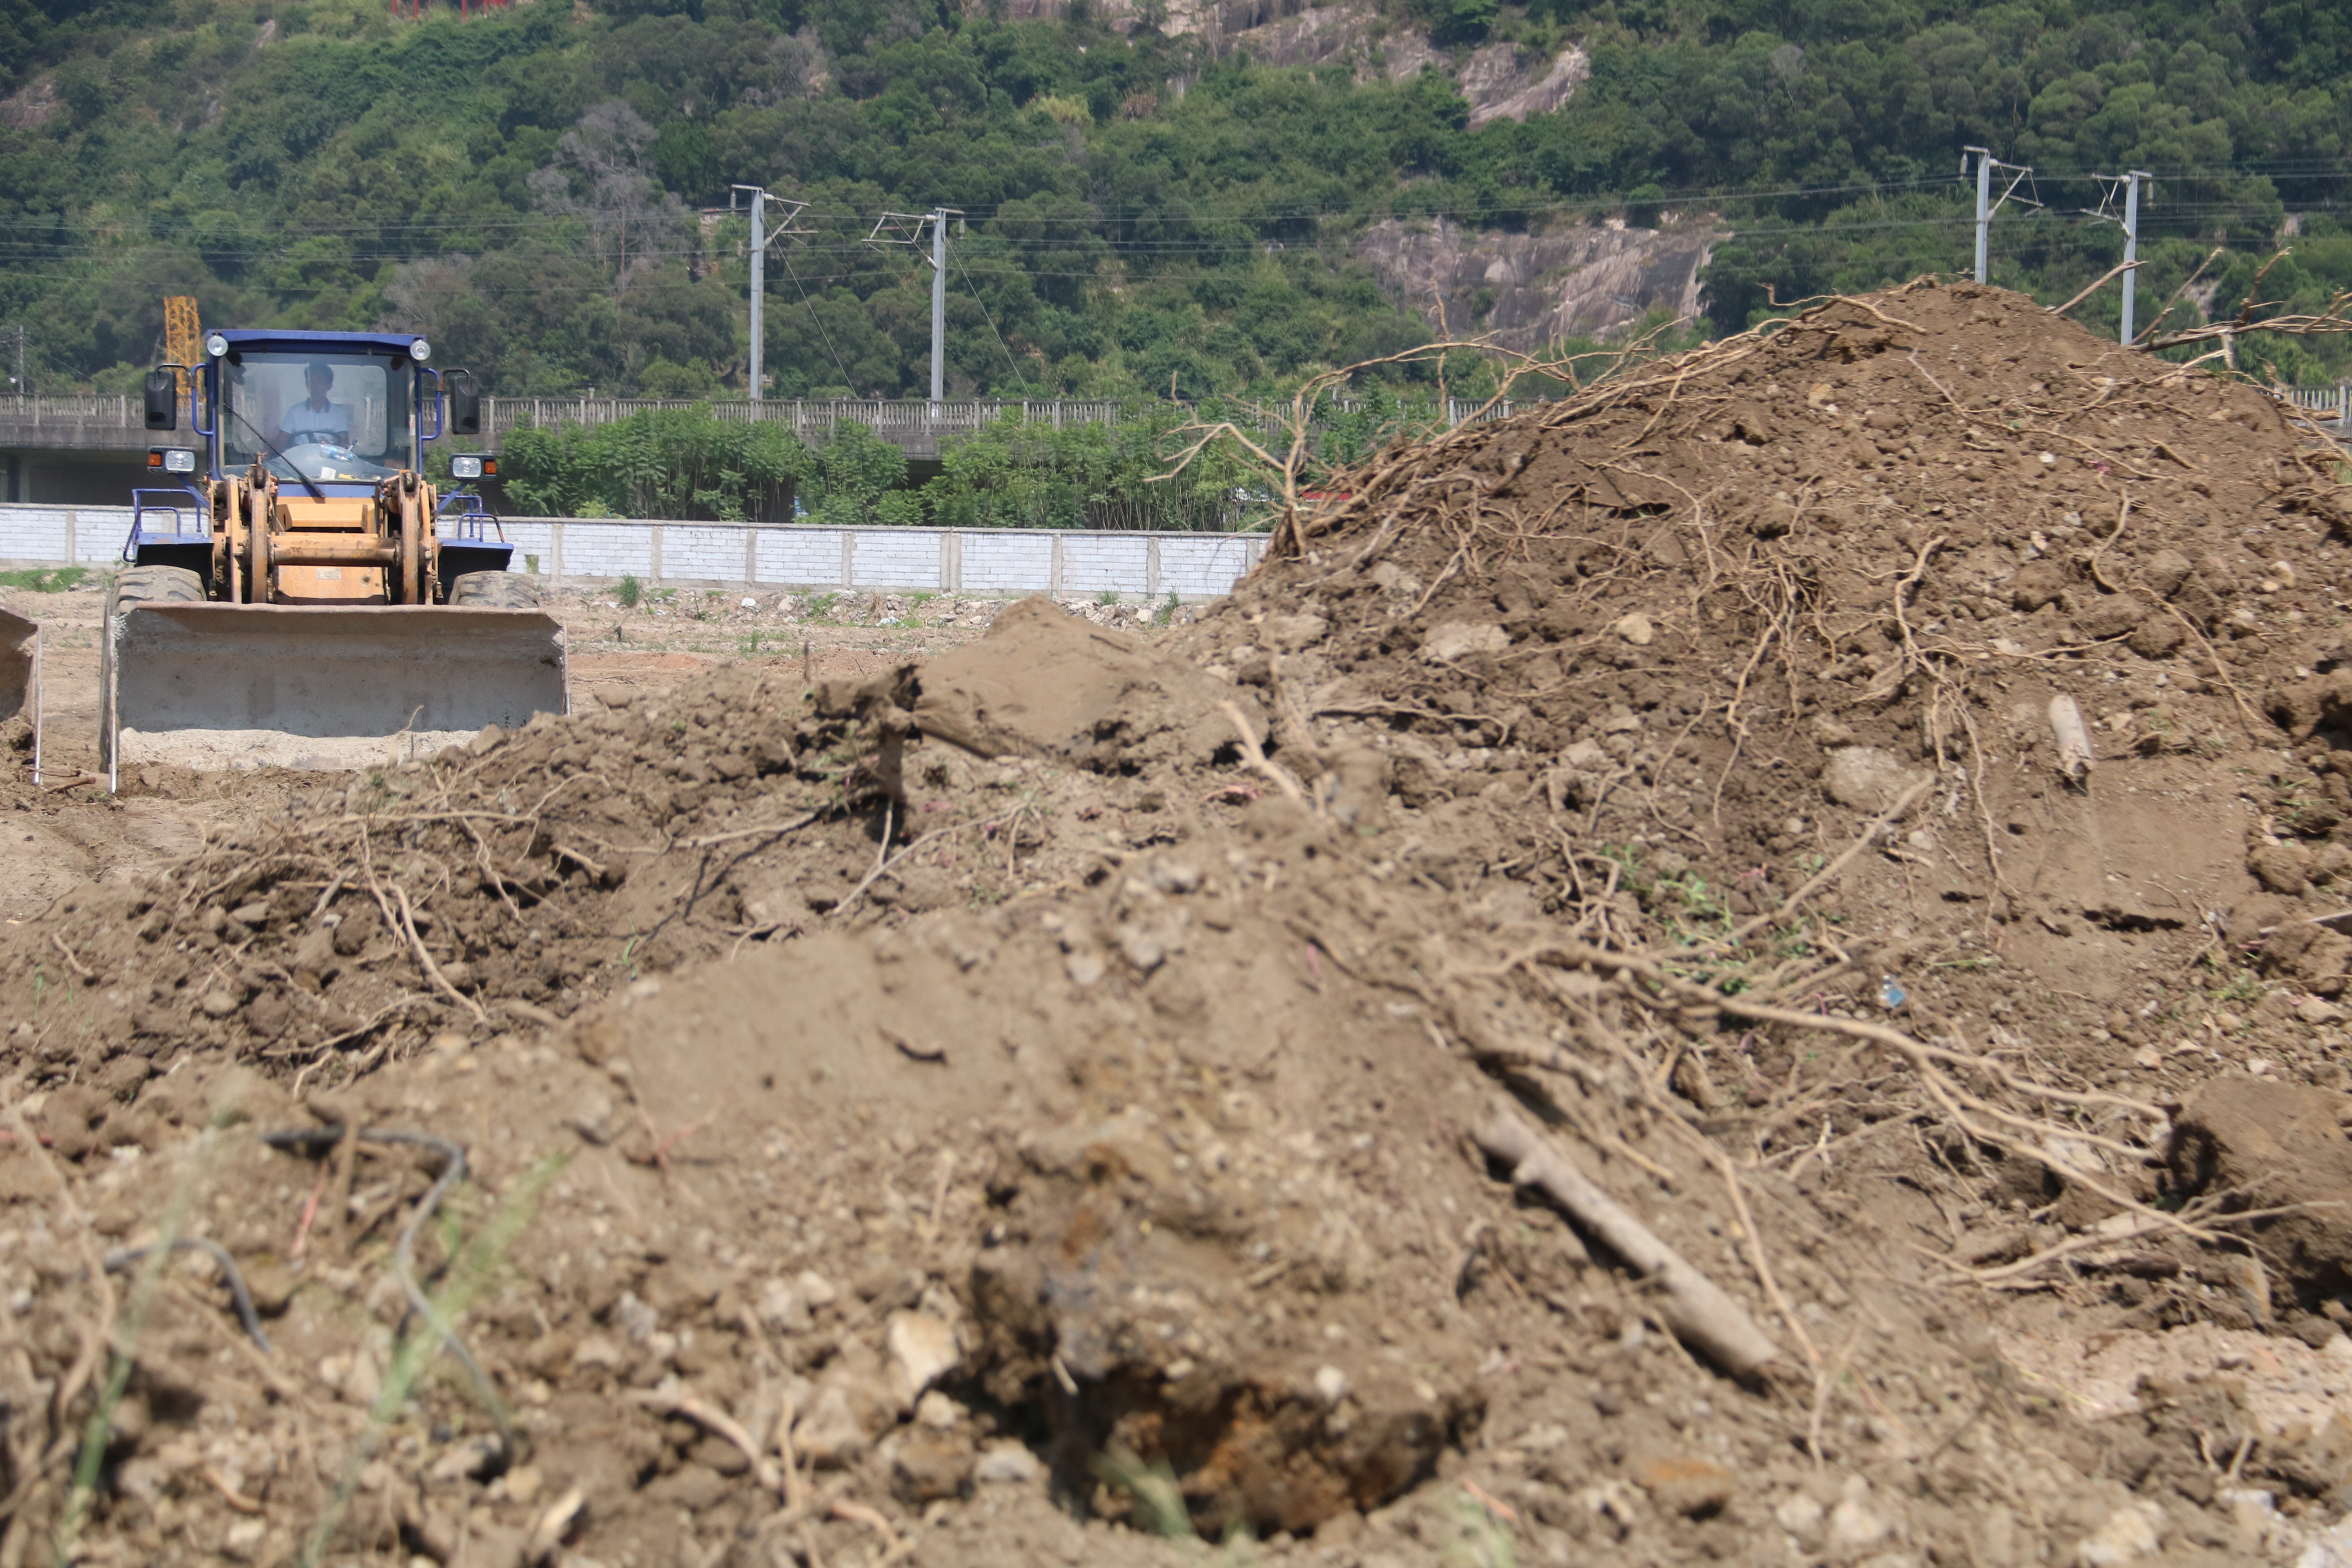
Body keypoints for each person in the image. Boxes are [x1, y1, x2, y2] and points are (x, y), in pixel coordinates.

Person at [276, 362, 352, 449]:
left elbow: (344, 444)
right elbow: (281, 440)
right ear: (307, 385)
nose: (314, 385)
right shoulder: (294, 412)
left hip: (328, 460)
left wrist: (330, 446)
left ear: (329, 386)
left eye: (319, 381)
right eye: (311, 381)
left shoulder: (338, 414)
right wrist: (267, 452)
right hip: (298, 460)